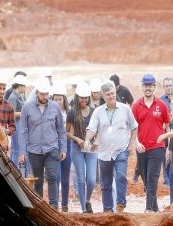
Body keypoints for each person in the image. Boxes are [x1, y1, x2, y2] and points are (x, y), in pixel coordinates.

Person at [83, 80, 138, 213]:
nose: (111, 96)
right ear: (103, 95)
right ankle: (107, 209)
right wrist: (87, 140)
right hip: (104, 152)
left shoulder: (125, 109)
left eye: (113, 93)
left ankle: (120, 204)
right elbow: (91, 128)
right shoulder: (98, 112)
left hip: (121, 150)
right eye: (108, 94)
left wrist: (131, 143)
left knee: (120, 176)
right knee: (106, 182)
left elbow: (134, 126)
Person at [18, 79, 67, 209]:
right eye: (42, 94)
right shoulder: (27, 108)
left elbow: (61, 130)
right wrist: (22, 151)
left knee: (52, 177)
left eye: (46, 94)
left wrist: (63, 148)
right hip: (34, 151)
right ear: (37, 93)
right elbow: (22, 131)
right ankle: (40, 207)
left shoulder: (55, 107)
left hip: (52, 148)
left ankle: (53, 206)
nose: (44, 97)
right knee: (38, 181)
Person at [131, 73, 171, 213]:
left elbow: (167, 125)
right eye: (145, 85)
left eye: (150, 85)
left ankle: (148, 208)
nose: (148, 88)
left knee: (152, 178)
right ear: (142, 87)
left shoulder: (162, 105)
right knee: (146, 180)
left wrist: (168, 147)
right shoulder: (136, 106)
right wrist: (136, 142)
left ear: (154, 87)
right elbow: (132, 127)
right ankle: (155, 207)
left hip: (157, 147)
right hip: (141, 148)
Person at [66, 81, 97, 213]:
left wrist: (97, 141)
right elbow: (66, 132)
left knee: (91, 179)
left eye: (86, 97)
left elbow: (99, 129)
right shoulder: (72, 112)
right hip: (77, 147)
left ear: (88, 97)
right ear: (77, 97)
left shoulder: (94, 111)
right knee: (81, 178)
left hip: (91, 148)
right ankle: (84, 209)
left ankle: (87, 200)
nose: (84, 100)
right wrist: (77, 139)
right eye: (81, 97)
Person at [52, 82, 72, 212]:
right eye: (56, 99)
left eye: (60, 99)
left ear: (64, 99)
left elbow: (72, 130)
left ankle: (65, 204)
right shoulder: (49, 111)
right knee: (56, 176)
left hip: (67, 144)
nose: (58, 101)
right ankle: (55, 204)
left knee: (65, 176)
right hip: (54, 144)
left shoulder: (69, 112)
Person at [7, 74, 31, 177]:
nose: (25, 88)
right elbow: (11, 113)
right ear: (19, 86)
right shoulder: (13, 97)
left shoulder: (17, 96)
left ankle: (14, 172)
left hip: (19, 124)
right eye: (24, 86)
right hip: (16, 124)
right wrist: (23, 113)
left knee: (16, 149)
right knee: (17, 149)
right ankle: (15, 173)